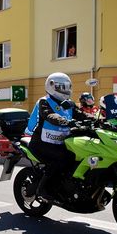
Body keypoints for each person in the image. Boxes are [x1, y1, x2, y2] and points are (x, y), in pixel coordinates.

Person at [25, 72, 91, 201]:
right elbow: (49, 115)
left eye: (67, 87)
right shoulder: (44, 102)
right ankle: (42, 189)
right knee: (61, 159)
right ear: (51, 86)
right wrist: (65, 121)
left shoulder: (69, 104)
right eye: (61, 87)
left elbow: (82, 115)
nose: (65, 90)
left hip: (61, 143)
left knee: (76, 156)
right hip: (41, 144)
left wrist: (100, 120)